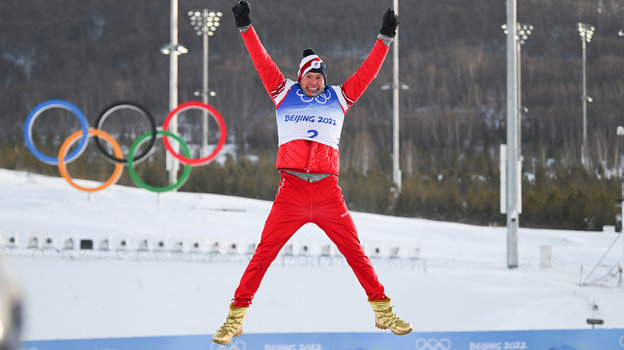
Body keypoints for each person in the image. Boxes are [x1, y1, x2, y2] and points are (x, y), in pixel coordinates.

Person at [213, 1, 412, 345]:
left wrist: (385, 37)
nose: (315, 82)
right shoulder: (283, 92)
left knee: (355, 253)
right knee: (263, 254)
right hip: (290, 191)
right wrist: (245, 27)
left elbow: (367, 71)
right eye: (310, 76)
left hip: (326, 192)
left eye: (320, 77)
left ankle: (383, 311)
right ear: (301, 76)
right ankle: (235, 318)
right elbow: (262, 61)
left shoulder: (340, 97)